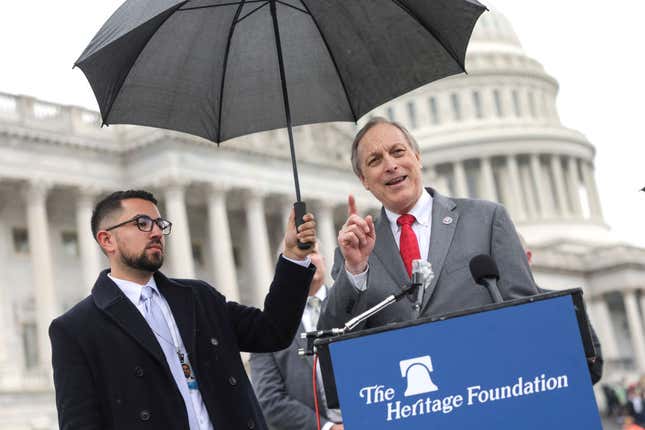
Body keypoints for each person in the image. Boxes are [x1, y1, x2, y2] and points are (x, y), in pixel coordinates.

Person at [49, 190, 317, 430]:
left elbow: (272, 331)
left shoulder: (198, 297)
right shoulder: (76, 329)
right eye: (142, 223)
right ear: (108, 240)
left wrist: (293, 257)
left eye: (159, 224)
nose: (156, 232)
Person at [318, 116, 538, 331]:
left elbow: (529, 312)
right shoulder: (355, 253)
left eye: (398, 152)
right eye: (375, 160)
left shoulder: (487, 220)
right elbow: (334, 334)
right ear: (363, 179)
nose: (391, 165)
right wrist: (356, 270)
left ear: (417, 157)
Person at [250, 245, 343, 430]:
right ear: (286, 270)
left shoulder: (352, 304)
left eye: (313, 252)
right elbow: (269, 399)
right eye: (301, 255)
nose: (308, 259)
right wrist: (328, 428)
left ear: (324, 260)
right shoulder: (266, 326)